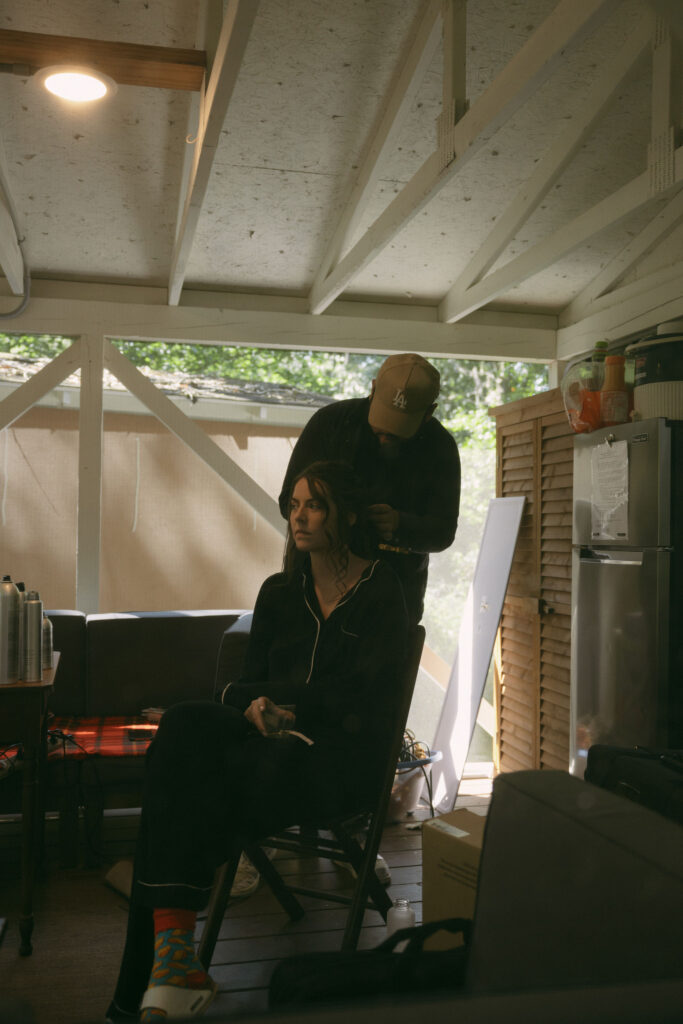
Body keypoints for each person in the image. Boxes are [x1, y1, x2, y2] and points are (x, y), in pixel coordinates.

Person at [106, 461, 409, 1023]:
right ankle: (172, 965)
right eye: (293, 505)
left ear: (343, 514)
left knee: (175, 804)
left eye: (313, 505)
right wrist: (256, 705)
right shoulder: (278, 592)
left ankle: (148, 987)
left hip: (336, 763)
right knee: (183, 725)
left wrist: (293, 703)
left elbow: (364, 699)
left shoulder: (381, 592)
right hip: (266, 748)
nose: (299, 517)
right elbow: (242, 684)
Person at [279, 353, 461, 624]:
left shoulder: (440, 447)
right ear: (373, 388)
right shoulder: (329, 424)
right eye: (382, 424)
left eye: (398, 430)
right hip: (312, 590)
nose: (386, 435)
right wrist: (334, 518)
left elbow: (443, 533)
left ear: (429, 412)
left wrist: (400, 524)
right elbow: (287, 503)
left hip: (395, 599)